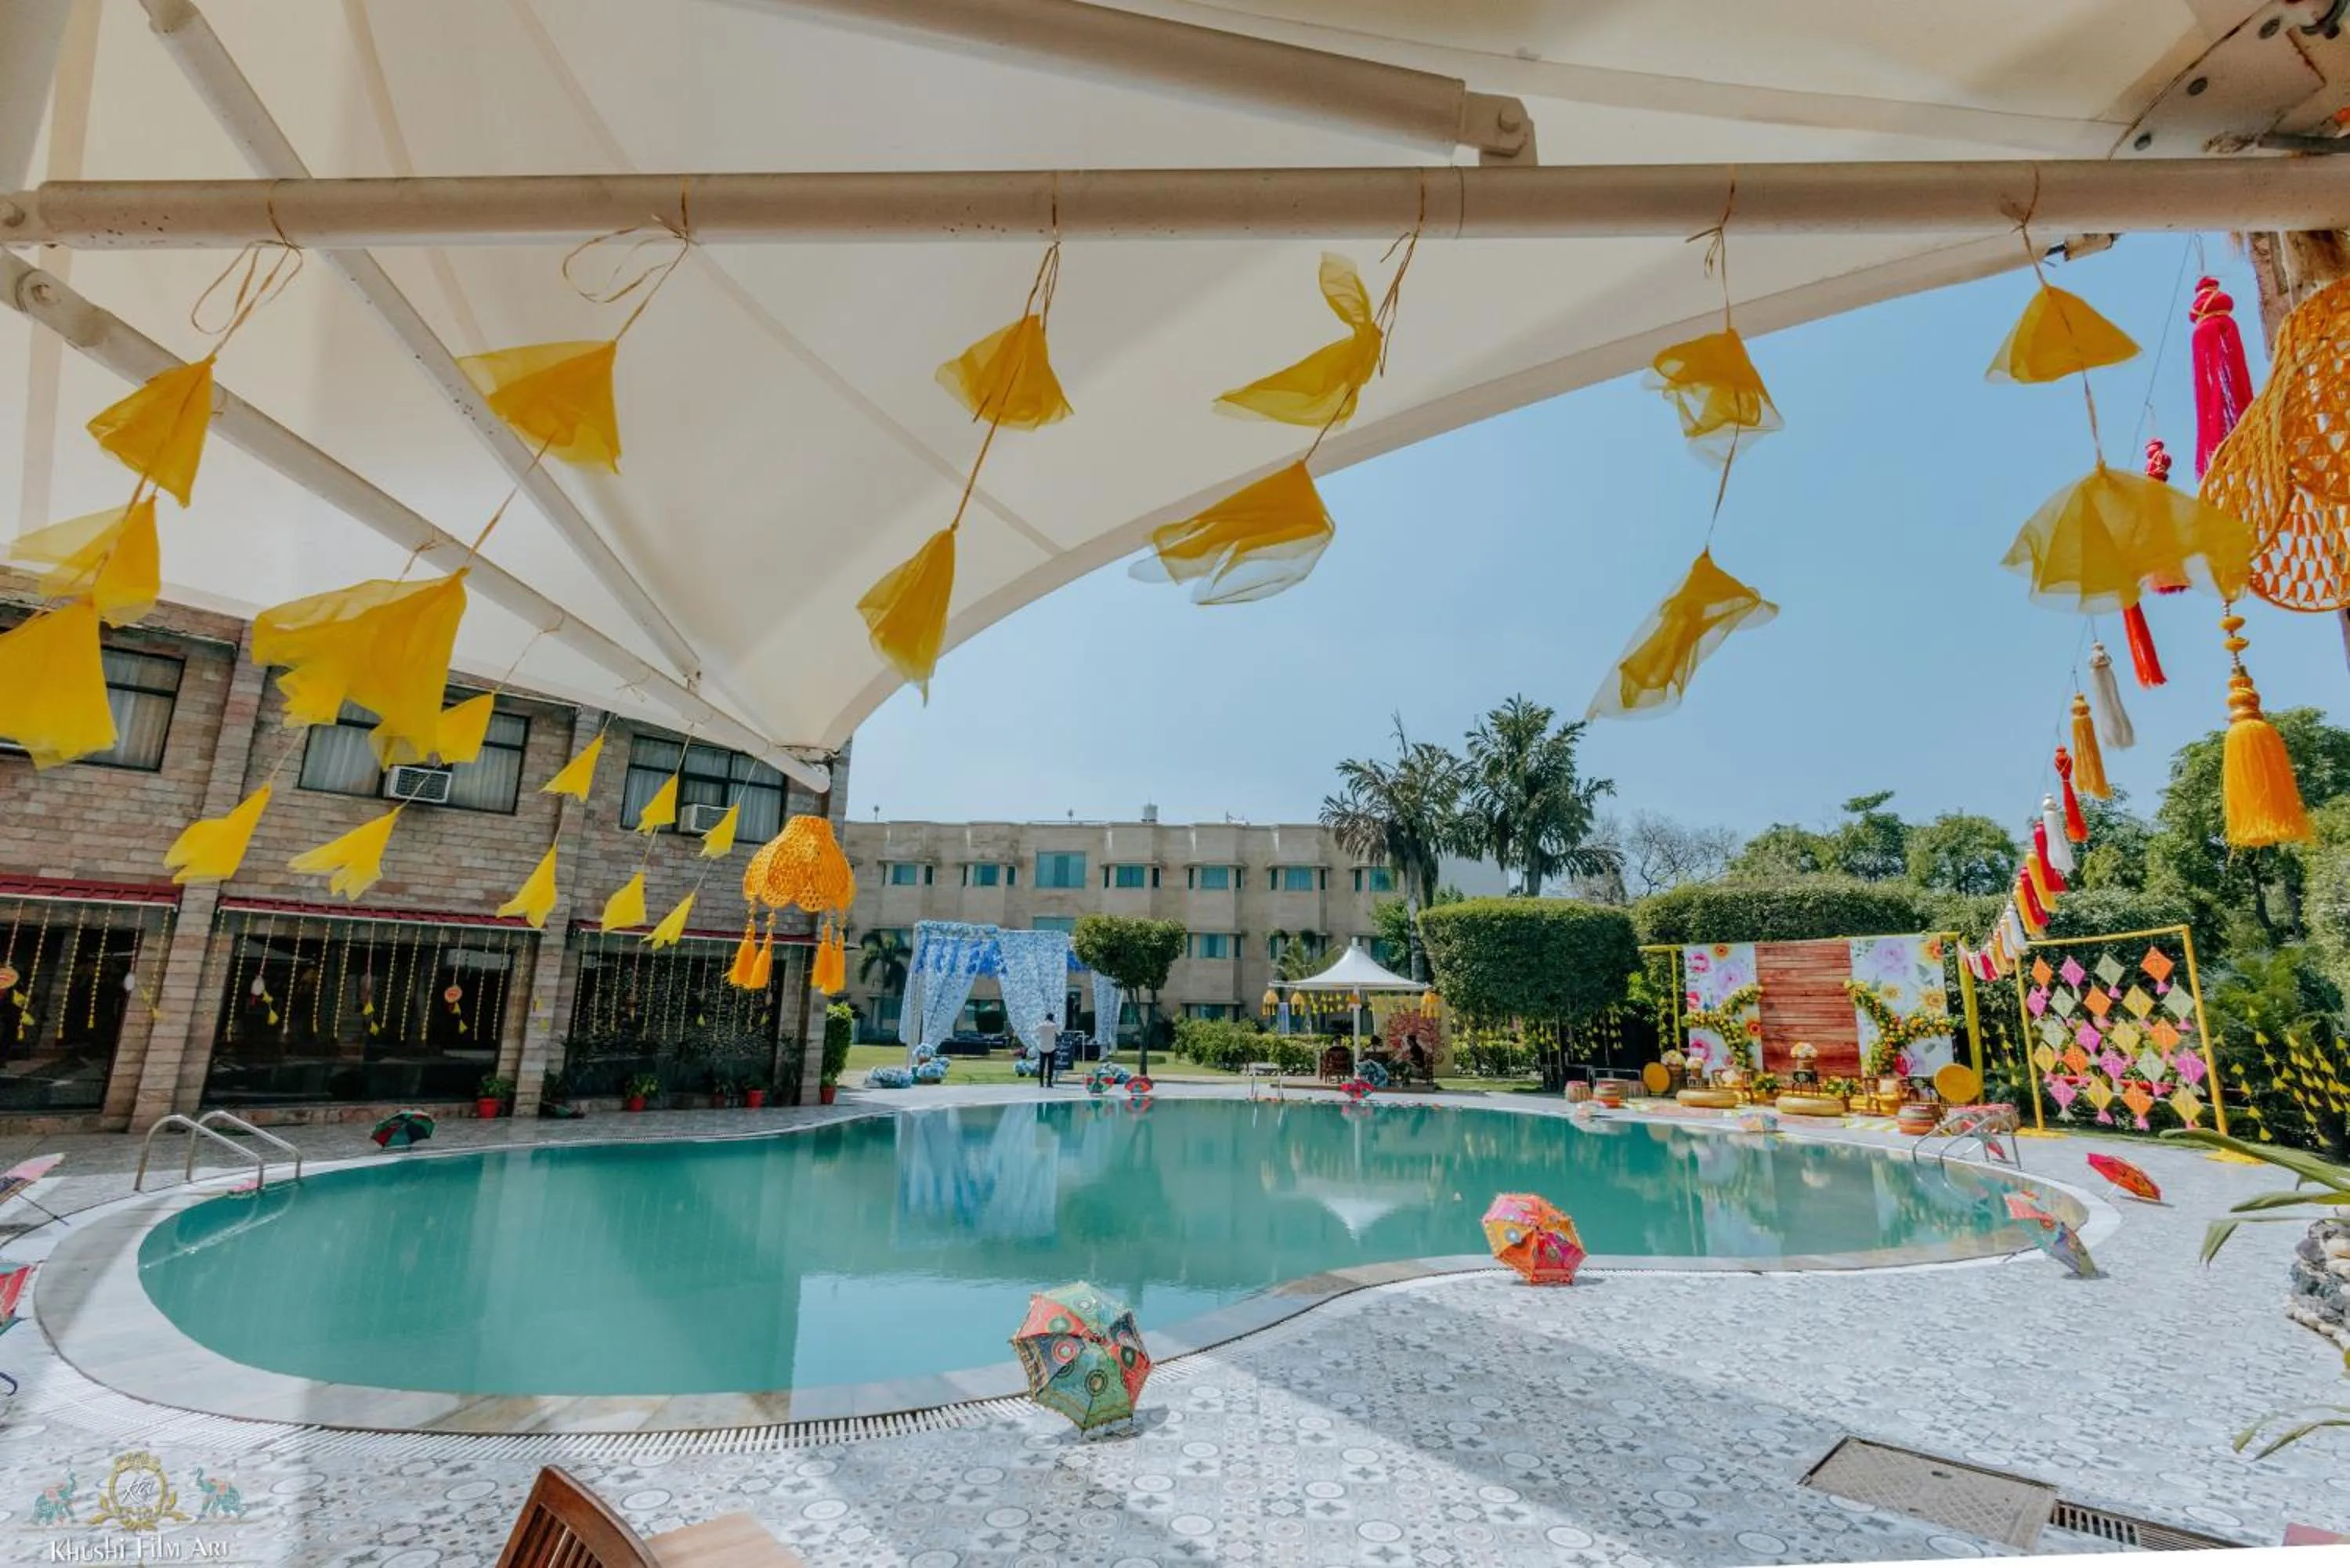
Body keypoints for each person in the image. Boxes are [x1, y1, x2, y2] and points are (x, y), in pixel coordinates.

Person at [1037, 1013, 1061, 1089]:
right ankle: (1049, 1083)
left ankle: (1041, 1083)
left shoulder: (1041, 1025)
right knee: (1050, 1066)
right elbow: (1059, 1033)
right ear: (1052, 1018)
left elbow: (1035, 1031)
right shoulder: (1054, 1026)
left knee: (1042, 1066)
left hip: (1042, 1047)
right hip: (1051, 1048)